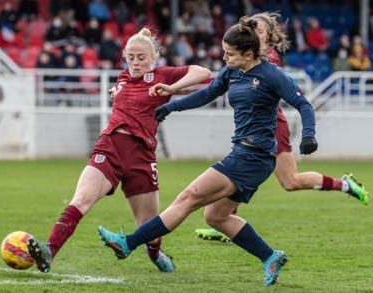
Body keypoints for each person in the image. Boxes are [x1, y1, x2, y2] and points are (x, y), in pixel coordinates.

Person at [98, 16, 318, 286]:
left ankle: (128, 243)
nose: (224, 57)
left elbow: (304, 105)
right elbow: (207, 93)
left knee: (187, 198)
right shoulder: (232, 71)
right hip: (244, 154)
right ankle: (270, 256)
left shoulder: (271, 74)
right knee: (215, 216)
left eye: (230, 54)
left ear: (248, 55)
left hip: (253, 157)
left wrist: (308, 136)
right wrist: (171, 104)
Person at [26, 27, 211, 273]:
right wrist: (117, 91)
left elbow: (204, 72)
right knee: (81, 199)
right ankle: (50, 249)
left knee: (150, 229)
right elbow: (127, 95)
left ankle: (155, 253)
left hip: (141, 156)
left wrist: (172, 87)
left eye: (141, 58)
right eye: (130, 57)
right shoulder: (122, 78)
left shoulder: (162, 75)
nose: (135, 63)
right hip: (110, 146)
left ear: (154, 58)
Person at [195, 11, 369, 243]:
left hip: (273, 126)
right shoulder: (243, 55)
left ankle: (344, 184)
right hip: (257, 127)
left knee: (289, 181)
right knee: (264, 175)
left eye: (259, 30)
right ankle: (223, 220)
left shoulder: (267, 60)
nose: (254, 33)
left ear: (268, 36)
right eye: (251, 29)